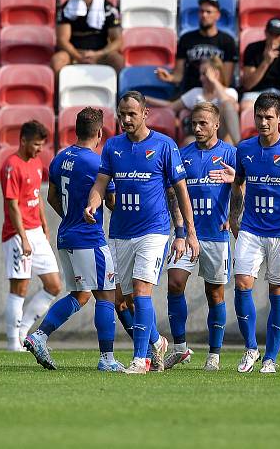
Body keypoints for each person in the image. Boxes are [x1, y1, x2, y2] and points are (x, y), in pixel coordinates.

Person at [85, 91, 200, 374]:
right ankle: (158, 342)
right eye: (122, 114)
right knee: (124, 299)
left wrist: (187, 232)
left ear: (145, 114)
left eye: (131, 114)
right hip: (121, 233)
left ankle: (141, 359)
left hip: (155, 230)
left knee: (141, 289)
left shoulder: (164, 145)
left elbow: (180, 191)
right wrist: (92, 202)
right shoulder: (113, 146)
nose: (125, 119)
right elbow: (101, 182)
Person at [23, 108, 123, 372]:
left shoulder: (60, 158)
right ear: (100, 133)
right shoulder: (96, 163)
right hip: (89, 237)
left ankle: (39, 336)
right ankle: (107, 359)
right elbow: (111, 201)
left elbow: (52, 197)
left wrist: (71, 217)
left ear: (75, 130)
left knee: (80, 295)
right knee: (106, 295)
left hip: (66, 235)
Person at [225, 93, 280, 374]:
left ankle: (271, 357)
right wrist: (234, 217)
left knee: (278, 290)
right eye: (259, 116)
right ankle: (251, 348)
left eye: (269, 117)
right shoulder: (245, 149)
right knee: (242, 283)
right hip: (250, 228)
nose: (263, 122)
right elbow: (238, 185)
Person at [159, 103, 236, 372]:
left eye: (203, 123)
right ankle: (180, 349)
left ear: (216, 125)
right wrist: (180, 232)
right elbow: (174, 195)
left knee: (214, 294)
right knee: (175, 282)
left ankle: (214, 354)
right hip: (188, 235)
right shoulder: (183, 155)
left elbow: (246, 189)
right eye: (194, 123)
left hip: (217, 235)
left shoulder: (230, 154)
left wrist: (235, 207)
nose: (198, 128)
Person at [0, 121, 61, 352]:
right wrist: (23, 237)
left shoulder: (36, 163)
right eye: (36, 144)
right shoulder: (11, 166)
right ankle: (11, 343)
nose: (39, 149)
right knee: (20, 287)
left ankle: (23, 331)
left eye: (42, 145)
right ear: (23, 141)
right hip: (17, 234)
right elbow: (13, 206)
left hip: (36, 231)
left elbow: (36, 197)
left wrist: (45, 225)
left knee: (54, 285)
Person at [156, 0, 238, 97]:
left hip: (216, 91)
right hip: (192, 91)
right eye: (201, 11)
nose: (204, 15)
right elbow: (178, 75)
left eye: (208, 12)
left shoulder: (227, 41)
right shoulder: (186, 39)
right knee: (184, 113)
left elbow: (226, 78)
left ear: (218, 15)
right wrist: (169, 77)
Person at [146, 56, 240, 145]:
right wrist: (147, 99)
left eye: (204, 74)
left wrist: (214, 80)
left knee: (227, 106)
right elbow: (172, 106)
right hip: (201, 136)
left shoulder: (229, 92)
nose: (201, 78)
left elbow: (228, 103)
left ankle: (239, 145)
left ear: (216, 73)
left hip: (222, 135)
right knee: (189, 142)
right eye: (201, 74)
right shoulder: (195, 93)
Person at [51, 0, 124, 74]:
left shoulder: (108, 9)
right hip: (74, 53)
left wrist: (99, 54)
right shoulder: (66, 8)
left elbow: (118, 40)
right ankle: (58, 90)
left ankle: (117, 91)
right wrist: (78, 56)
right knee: (57, 61)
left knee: (118, 60)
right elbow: (62, 40)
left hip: (100, 53)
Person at [240, 17, 280, 107]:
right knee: (245, 106)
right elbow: (248, 84)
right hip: (256, 93)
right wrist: (266, 62)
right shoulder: (252, 49)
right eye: (271, 34)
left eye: (277, 35)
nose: (273, 38)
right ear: (266, 33)